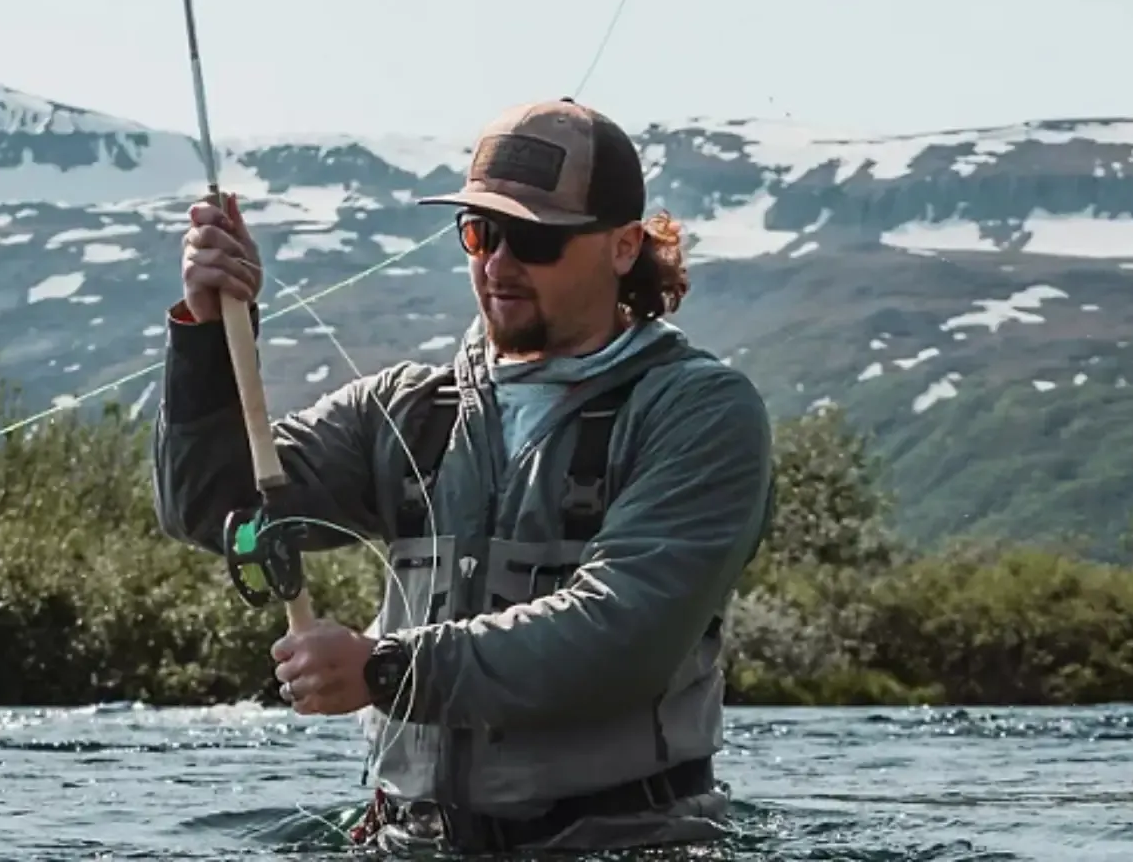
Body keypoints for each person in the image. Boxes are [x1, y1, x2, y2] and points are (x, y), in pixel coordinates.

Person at [152, 97, 777, 853]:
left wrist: (388, 671)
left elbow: (625, 633)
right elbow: (211, 506)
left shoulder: (701, 413)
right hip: (406, 840)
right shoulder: (405, 409)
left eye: (535, 241)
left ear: (622, 247)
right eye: (480, 233)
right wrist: (210, 336)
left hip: (629, 841)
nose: (498, 265)